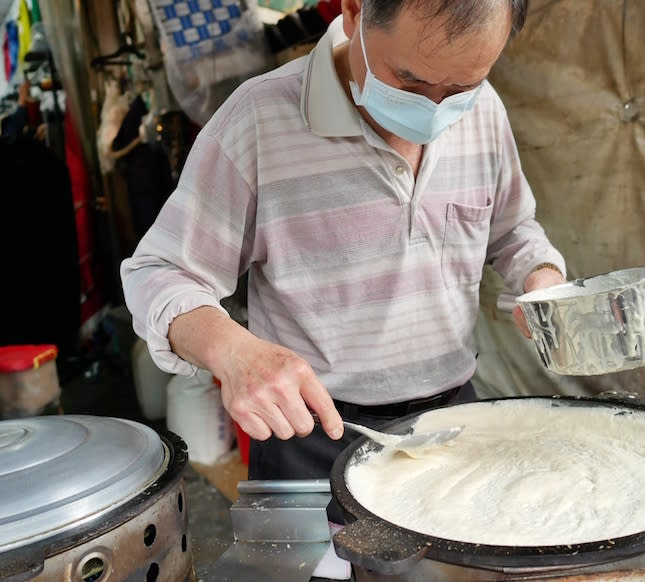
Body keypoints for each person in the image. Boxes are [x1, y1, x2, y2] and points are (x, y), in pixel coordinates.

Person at [120, 0, 567, 485]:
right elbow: (160, 272)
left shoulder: (483, 112)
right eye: (411, 83)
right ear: (355, 10)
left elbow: (513, 229)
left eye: (460, 89)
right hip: (313, 433)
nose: (436, 111)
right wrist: (232, 351)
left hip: (454, 423)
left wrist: (541, 275)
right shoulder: (259, 120)